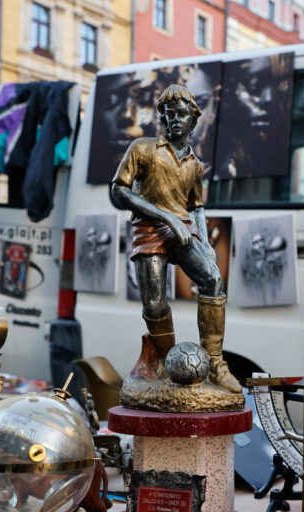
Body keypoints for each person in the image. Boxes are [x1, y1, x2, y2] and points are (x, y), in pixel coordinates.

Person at [110, 84, 241, 393]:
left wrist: (206, 244)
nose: (175, 120)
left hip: (183, 229)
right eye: (170, 115)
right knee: (154, 304)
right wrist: (166, 216)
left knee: (212, 279)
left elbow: (196, 206)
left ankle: (215, 363)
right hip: (150, 228)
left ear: (193, 119)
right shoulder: (143, 148)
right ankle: (168, 363)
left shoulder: (194, 164)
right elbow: (119, 190)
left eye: (181, 114)